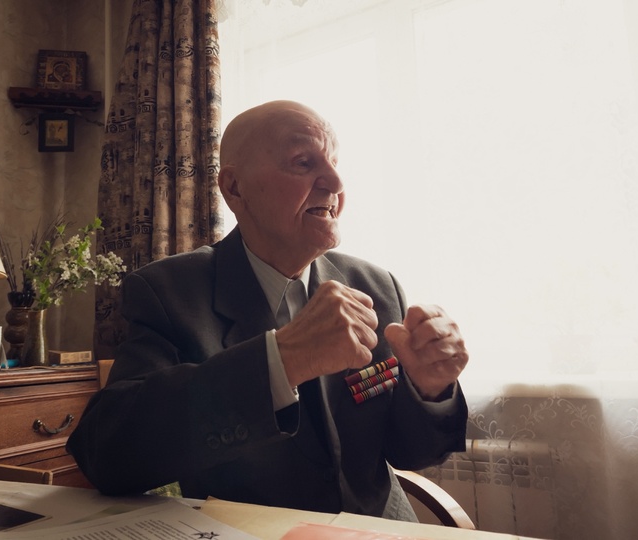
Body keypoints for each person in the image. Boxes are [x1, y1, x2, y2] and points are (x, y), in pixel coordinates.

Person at [67, 100, 469, 521]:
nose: (335, 182)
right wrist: (280, 361)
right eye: (303, 162)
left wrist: (430, 390)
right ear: (234, 188)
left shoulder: (377, 286)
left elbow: (411, 452)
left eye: (334, 163)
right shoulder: (169, 292)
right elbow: (106, 456)